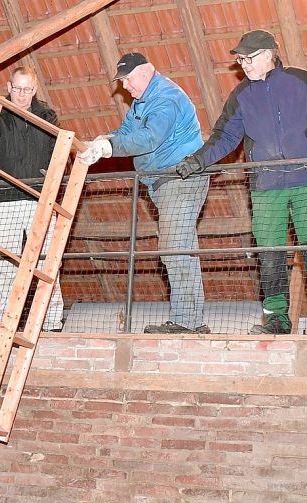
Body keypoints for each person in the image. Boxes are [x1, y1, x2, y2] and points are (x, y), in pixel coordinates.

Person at [175, 30, 307, 335]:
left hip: (306, 181)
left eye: (249, 57)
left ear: (270, 54)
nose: (243, 63)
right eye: (240, 59)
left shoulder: (299, 80)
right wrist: (198, 160)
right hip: (265, 190)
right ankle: (276, 320)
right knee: (270, 256)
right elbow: (225, 137)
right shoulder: (241, 95)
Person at [79, 53, 210, 334]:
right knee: (178, 248)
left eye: (127, 78)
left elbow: (150, 138)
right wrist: (103, 141)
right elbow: (127, 131)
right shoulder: (142, 103)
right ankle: (190, 320)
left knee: (175, 248)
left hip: (180, 179)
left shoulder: (166, 98)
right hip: (165, 183)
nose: (124, 86)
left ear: (145, 72)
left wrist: (109, 149)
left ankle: (188, 321)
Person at [0, 67, 65, 330]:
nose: (22, 94)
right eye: (17, 89)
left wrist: (51, 176)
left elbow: (59, 154)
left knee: (47, 261)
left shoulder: (47, 116)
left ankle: (52, 322)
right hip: (5, 200)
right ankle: (2, 323)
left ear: (35, 89)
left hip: (40, 200)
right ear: (9, 86)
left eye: (27, 89)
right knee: (5, 264)